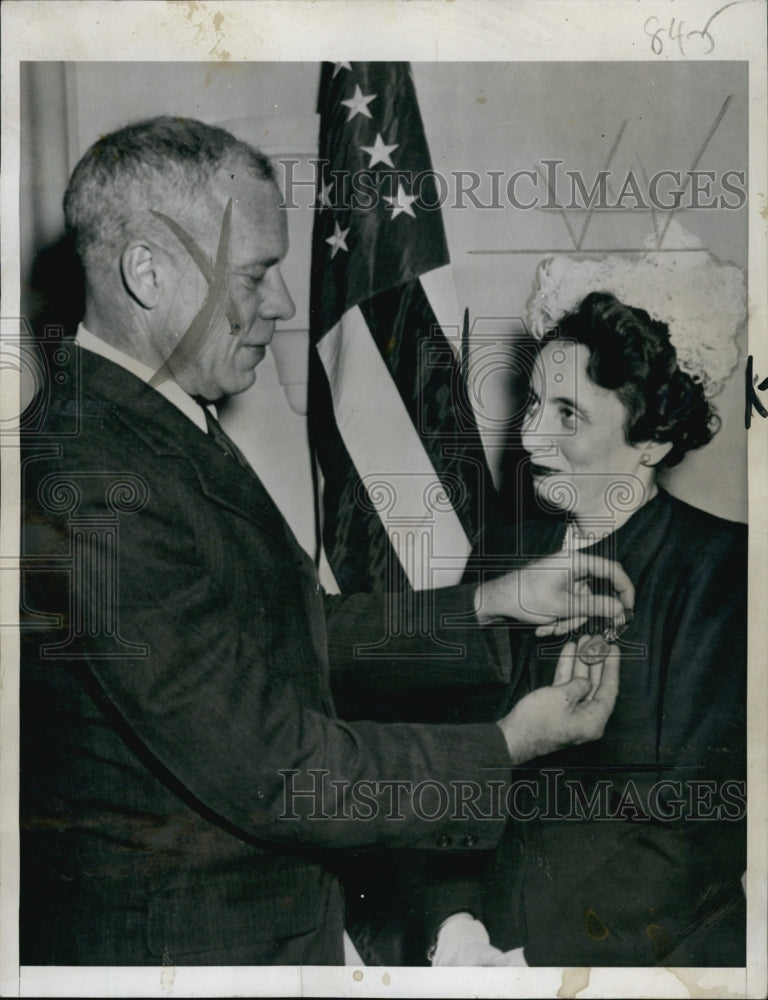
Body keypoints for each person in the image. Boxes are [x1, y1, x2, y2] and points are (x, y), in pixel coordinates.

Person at [19, 117, 634, 966]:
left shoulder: (148, 420)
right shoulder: (91, 475)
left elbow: (275, 633)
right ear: (147, 274)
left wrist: (491, 606)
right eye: (256, 274)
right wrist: (508, 745)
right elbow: (273, 766)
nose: (281, 304)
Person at [428, 254, 747, 967]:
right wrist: (454, 928)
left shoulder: (725, 571)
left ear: (654, 440)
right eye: (534, 404)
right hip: (478, 947)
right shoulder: (502, 555)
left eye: (568, 413)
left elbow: (697, 828)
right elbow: (447, 754)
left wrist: (535, 962)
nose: (529, 437)